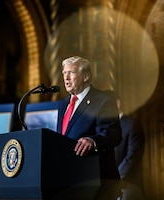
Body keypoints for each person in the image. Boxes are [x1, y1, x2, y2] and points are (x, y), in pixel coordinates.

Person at [56, 56, 122, 199]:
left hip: (97, 182)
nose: (66, 78)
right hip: (71, 182)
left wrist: (93, 141)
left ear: (86, 77)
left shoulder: (103, 101)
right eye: (64, 73)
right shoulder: (63, 104)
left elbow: (113, 133)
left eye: (71, 73)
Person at [105, 91, 146, 200]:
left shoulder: (132, 125)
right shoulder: (103, 128)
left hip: (128, 189)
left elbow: (132, 158)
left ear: (117, 104)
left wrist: (114, 180)